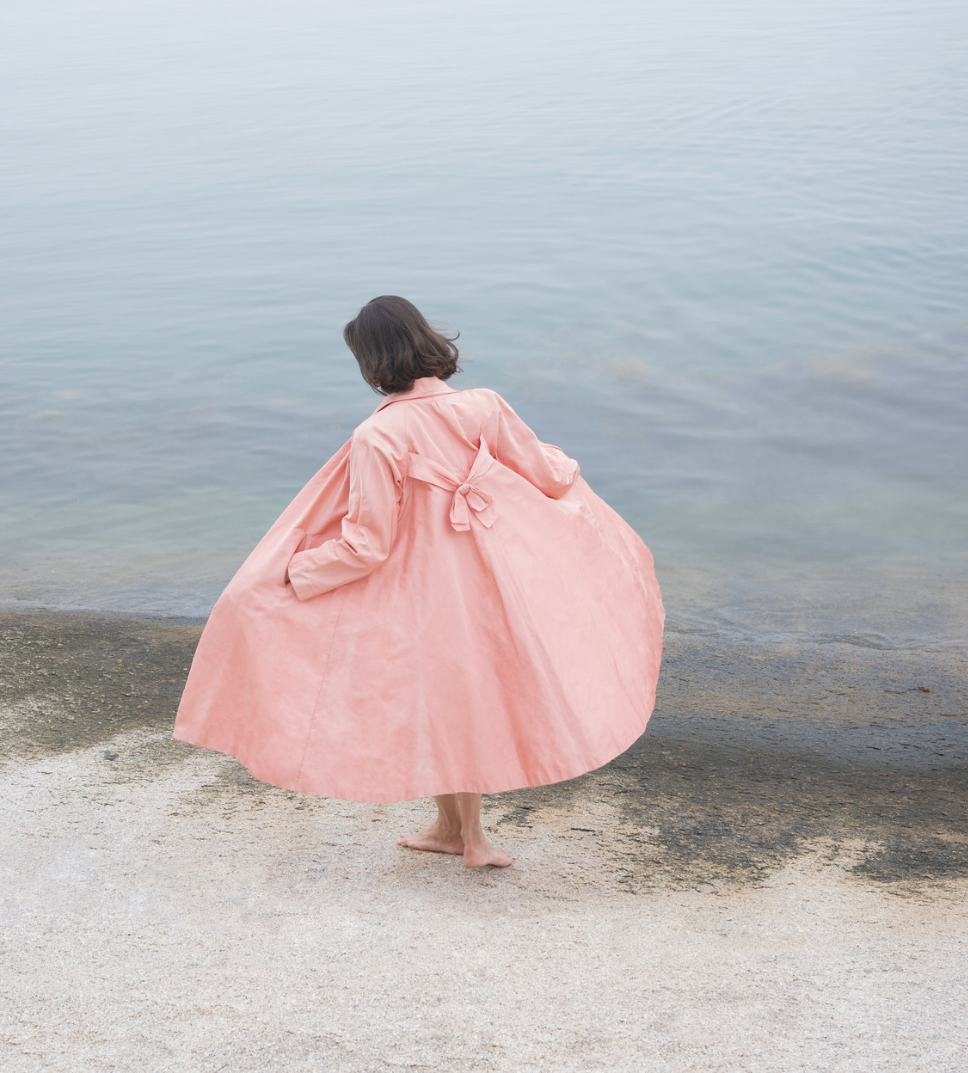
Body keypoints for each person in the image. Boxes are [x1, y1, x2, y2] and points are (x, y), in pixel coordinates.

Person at [174, 296, 664, 868]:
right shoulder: (484, 405)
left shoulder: (376, 437)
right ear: (427, 338)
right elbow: (547, 475)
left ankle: (465, 835)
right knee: (472, 697)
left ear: (371, 360)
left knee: (442, 700)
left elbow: (367, 547)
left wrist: (296, 570)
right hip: (493, 582)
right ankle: (462, 834)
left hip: (422, 592)